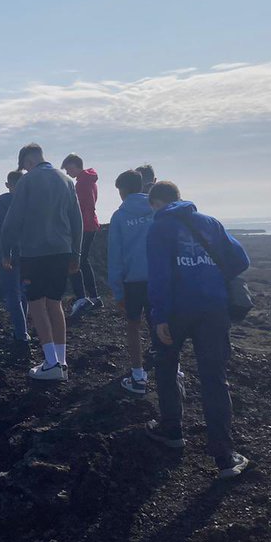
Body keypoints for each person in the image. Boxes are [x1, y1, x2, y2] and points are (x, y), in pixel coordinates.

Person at [145, 180, 253, 480]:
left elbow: (159, 274)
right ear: (179, 198)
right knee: (214, 378)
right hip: (214, 309)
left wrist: (160, 315)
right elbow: (241, 259)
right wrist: (209, 275)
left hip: (176, 310)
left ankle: (172, 429)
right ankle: (225, 457)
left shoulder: (159, 227)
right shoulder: (210, 223)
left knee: (166, 366)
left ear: (156, 203)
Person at [0, 143, 83, 381]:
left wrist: (6, 251)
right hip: (62, 251)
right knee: (54, 304)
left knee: (36, 304)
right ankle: (61, 362)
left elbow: (12, 221)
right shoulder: (66, 181)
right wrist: (75, 254)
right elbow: (77, 222)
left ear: (28, 162)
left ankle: (50, 362)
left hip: (34, 253)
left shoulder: (27, 181)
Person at [108, 169, 157, 396]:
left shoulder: (119, 216)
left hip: (133, 282)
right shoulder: (157, 211)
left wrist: (118, 292)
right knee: (161, 325)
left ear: (123, 190)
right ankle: (173, 370)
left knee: (133, 326)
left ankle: (138, 376)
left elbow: (115, 257)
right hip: (160, 279)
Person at [0, 170, 29, 348]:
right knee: (24, 293)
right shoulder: (32, 202)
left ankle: (21, 333)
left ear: (7, 185)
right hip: (29, 255)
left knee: (13, 295)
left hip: (7, 255)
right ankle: (22, 329)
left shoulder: (1, 202)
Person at [61, 153, 101, 316]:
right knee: (83, 260)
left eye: (69, 169)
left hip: (83, 226)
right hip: (90, 224)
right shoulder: (88, 180)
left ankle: (82, 298)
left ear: (75, 166)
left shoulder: (82, 183)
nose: (68, 173)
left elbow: (84, 205)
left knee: (76, 260)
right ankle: (94, 296)